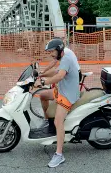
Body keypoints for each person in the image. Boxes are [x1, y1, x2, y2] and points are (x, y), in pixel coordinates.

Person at [35, 38, 80, 168]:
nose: (51, 54)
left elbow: (59, 76)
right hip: (61, 90)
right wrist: (41, 75)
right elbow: (55, 71)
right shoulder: (63, 58)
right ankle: (46, 120)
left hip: (67, 94)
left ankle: (59, 155)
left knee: (58, 122)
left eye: (52, 51)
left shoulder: (66, 59)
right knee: (43, 95)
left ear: (59, 50)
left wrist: (43, 82)